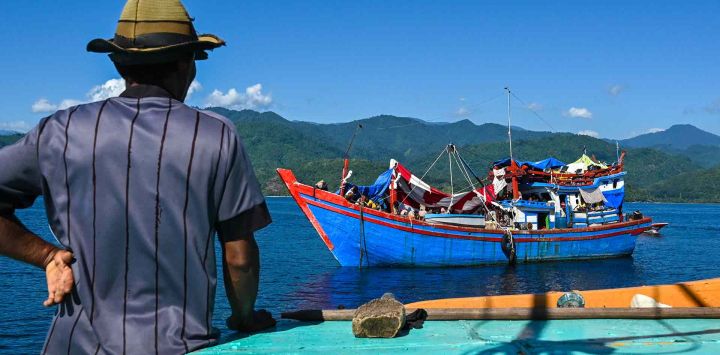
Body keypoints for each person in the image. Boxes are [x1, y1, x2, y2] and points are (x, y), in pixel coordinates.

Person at [0, 1, 275, 353]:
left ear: (119, 63)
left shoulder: (60, 131)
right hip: (178, 345)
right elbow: (240, 257)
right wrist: (244, 316)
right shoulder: (216, 136)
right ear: (186, 64)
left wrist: (47, 256)